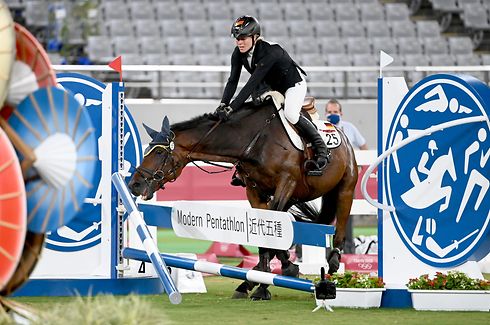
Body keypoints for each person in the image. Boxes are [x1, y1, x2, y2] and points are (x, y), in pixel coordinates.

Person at [212, 16, 329, 185]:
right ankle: (243, 167)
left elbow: (251, 84)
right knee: (254, 116)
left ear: (255, 37)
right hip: (269, 85)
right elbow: (232, 81)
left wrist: (232, 108)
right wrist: (223, 104)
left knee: (290, 114)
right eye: (237, 39)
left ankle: (321, 149)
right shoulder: (238, 54)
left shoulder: (270, 52)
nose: (239, 43)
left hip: (292, 84)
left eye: (243, 38)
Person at [325, 99, 368, 254]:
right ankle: (325, 248)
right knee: (327, 213)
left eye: (335, 112)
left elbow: (363, 145)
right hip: (327, 179)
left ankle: (348, 248)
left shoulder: (349, 128)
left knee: (346, 213)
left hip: (346, 179)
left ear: (341, 113)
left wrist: (360, 164)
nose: (332, 115)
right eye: (329, 112)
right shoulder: (322, 128)